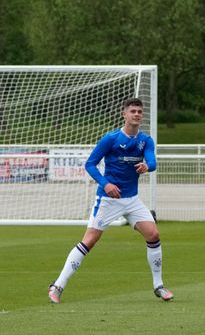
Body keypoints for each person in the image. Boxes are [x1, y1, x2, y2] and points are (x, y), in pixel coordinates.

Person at [48, 98, 173, 303]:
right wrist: (105, 184)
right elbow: (90, 164)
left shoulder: (145, 140)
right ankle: (58, 285)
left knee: (153, 233)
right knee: (90, 240)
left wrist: (147, 167)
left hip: (132, 199)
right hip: (108, 199)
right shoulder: (111, 139)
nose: (137, 114)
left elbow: (152, 161)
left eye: (140, 111)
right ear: (124, 114)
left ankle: (158, 285)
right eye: (133, 111)